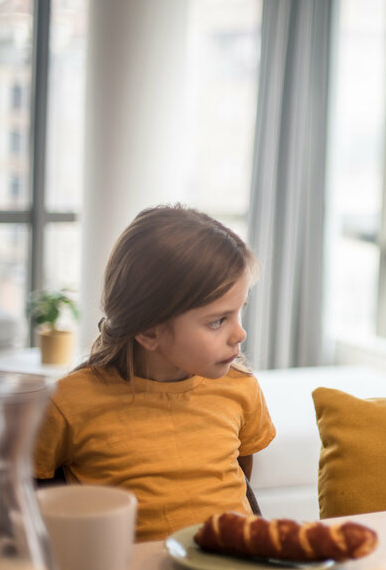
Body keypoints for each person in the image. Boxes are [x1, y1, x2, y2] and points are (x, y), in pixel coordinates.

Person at [33, 205, 276, 541]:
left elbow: (241, 474)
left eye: (239, 312)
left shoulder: (241, 388)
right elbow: (31, 500)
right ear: (149, 332)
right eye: (218, 321)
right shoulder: (67, 403)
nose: (240, 334)